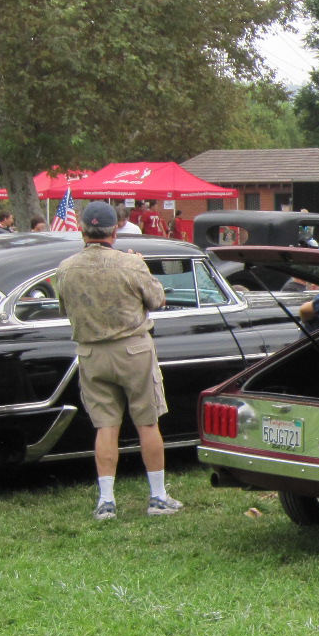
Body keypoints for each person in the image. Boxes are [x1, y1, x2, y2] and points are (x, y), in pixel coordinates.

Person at [53, 200, 181, 519]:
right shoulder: (130, 263)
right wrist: (139, 265)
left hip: (91, 351)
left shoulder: (65, 268)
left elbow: (63, 309)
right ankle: (158, 496)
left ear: (82, 230)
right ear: (115, 230)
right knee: (147, 421)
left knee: (105, 425)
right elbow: (157, 299)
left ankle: (106, 500)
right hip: (132, 348)